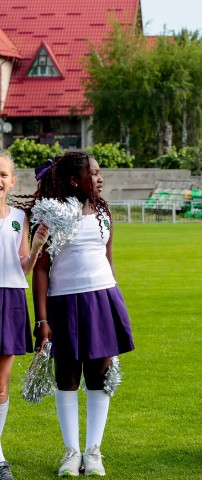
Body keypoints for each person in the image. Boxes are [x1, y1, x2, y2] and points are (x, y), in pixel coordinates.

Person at [31, 152, 134, 477]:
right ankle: (71, 453)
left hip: (102, 298)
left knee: (100, 378)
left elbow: (108, 257)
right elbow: (42, 270)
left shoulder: (103, 211)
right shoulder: (52, 213)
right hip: (65, 303)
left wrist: (114, 300)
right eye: (94, 172)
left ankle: (93, 453)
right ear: (76, 179)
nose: (100, 178)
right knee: (67, 377)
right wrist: (42, 319)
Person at [0, 152, 48, 480]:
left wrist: (38, 245)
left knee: (0, 386)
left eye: (3, 174)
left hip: (11, 299)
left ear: (12, 180)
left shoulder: (19, 216)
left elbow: (24, 267)